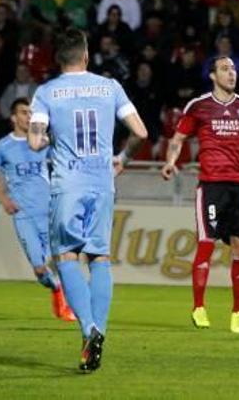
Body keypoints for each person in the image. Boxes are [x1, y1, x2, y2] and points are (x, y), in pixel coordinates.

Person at [28, 28, 149, 372]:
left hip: (68, 184)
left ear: (58, 59)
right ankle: (98, 335)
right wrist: (122, 160)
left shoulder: (47, 92)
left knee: (65, 256)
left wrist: (49, 136)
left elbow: (35, 142)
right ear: (85, 55)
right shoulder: (110, 87)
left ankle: (88, 329)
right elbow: (140, 132)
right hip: (102, 182)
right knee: (99, 259)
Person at [160, 56, 239, 335]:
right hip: (211, 186)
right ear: (212, 75)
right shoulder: (198, 106)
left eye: (233, 69)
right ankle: (199, 306)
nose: (231, 73)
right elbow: (178, 139)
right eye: (224, 69)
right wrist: (171, 162)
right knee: (206, 243)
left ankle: (238, 313)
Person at [0, 98, 75, 321]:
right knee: (39, 269)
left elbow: (64, 163)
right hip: (23, 214)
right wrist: (3, 199)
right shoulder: (2, 147)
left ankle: (67, 305)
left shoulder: (42, 143)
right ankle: (55, 289)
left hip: (49, 210)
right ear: (14, 117)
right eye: (24, 113)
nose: (28, 117)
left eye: (30, 113)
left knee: (62, 259)